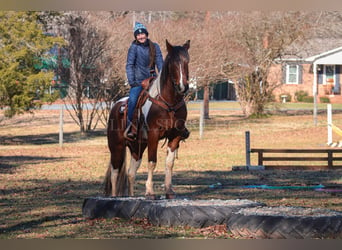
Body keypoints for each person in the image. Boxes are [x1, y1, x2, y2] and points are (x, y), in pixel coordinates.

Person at [124, 22, 163, 140]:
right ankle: (131, 126)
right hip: (138, 81)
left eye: (143, 34)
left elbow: (160, 63)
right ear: (135, 37)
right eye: (138, 35)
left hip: (153, 79)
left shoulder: (155, 46)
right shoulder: (133, 48)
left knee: (167, 97)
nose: (141, 37)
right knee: (132, 101)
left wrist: (162, 77)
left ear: (146, 34)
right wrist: (132, 81)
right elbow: (129, 65)